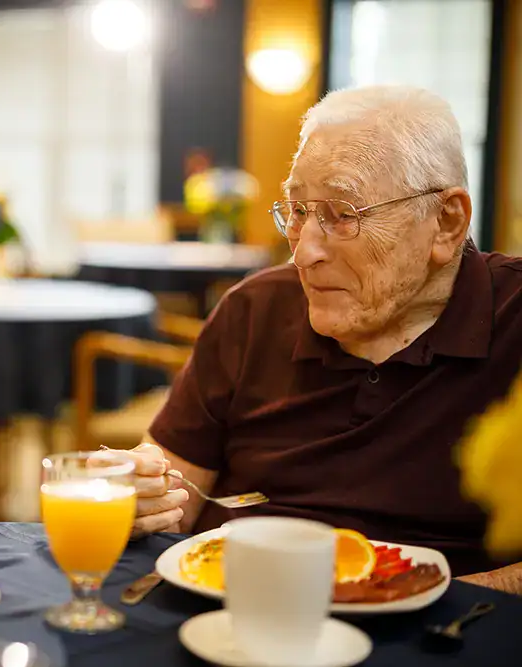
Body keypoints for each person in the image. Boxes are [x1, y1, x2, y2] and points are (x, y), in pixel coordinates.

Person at [123, 85, 522, 594]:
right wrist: (139, 497)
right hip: (234, 610)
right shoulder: (255, 310)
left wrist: (423, 601)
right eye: (296, 211)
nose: (304, 251)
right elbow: (175, 499)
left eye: (342, 214)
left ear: (445, 223)